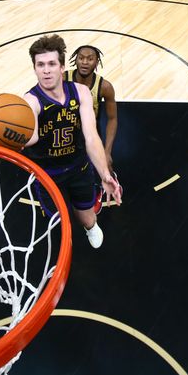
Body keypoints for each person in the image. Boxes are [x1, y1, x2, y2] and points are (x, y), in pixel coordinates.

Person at [23, 34, 122, 249]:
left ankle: (90, 229)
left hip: (79, 166)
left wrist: (104, 173)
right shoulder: (30, 102)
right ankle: (64, 247)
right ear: (35, 68)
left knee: (88, 218)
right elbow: (29, 138)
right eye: (40, 65)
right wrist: (19, 137)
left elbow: (91, 135)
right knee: (59, 224)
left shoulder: (81, 92)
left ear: (61, 67)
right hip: (48, 175)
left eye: (51, 64)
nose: (46, 70)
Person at [65, 45, 117, 172]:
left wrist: (107, 151)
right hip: (66, 132)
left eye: (90, 59)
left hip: (90, 133)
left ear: (97, 62)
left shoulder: (105, 87)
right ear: (75, 60)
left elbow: (112, 119)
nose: (84, 62)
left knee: (103, 170)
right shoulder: (62, 79)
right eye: (81, 58)